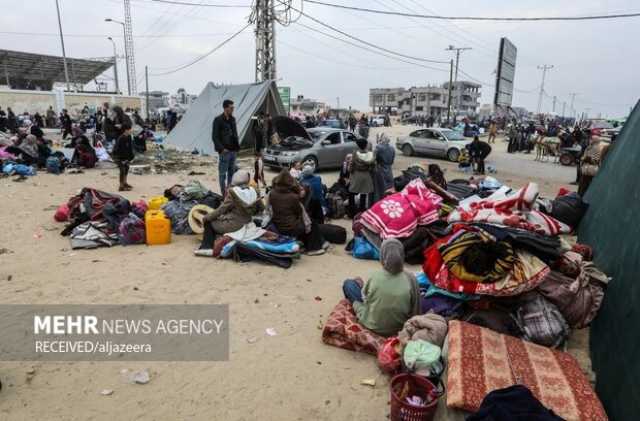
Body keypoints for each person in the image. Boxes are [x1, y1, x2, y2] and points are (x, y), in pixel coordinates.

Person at [342, 239, 421, 337]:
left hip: (371, 325)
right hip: (400, 329)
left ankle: (358, 287)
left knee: (349, 284)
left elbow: (365, 299)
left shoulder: (374, 276)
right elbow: (416, 309)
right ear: (402, 255)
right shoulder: (411, 278)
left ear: (382, 256)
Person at [195, 170, 264, 256]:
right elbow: (261, 208)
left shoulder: (233, 193)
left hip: (235, 225)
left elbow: (221, 210)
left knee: (209, 222)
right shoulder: (254, 191)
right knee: (219, 219)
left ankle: (206, 247)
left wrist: (207, 217)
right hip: (248, 223)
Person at [268, 170, 326, 255]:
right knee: (310, 223)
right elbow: (298, 212)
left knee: (304, 223)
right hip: (289, 228)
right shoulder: (293, 197)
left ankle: (305, 245)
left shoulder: (272, 193)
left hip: (277, 225)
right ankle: (313, 249)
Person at [212, 99, 240, 195]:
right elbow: (214, 137)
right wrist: (222, 149)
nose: (233, 109)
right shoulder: (218, 120)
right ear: (225, 108)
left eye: (233, 108)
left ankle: (229, 194)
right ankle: (223, 194)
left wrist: (237, 148)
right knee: (222, 174)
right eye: (231, 108)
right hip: (224, 152)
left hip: (233, 151)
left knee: (231, 174)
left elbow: (235, 134)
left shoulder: (233, 119)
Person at [349, 138, 375, 213]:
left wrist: (350, 171)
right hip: (366, 175)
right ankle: (362, 211)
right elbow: (373, 166)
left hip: (356, 175)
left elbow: (352, 164)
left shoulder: (355, 153)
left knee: (352, 193)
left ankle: (352, 211)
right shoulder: (370, 154)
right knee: (363, 193)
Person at [112, 119, 134, 191]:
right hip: (118, 156)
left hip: (125, 156)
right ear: (125, 130)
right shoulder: (121, 139)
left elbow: (130, 148)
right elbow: (117, 150)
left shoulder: (129, 137)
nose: (131, 130)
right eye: (130, 129)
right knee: (122, 169)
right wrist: (122, 159)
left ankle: (125, 182)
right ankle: (121, 186)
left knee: (127, 168)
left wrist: (130, 157)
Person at [373, 133, 395, 201]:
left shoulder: (378, 147)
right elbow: (392, 161)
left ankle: (380, 203)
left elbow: (373, 159)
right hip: (389, 170)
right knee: (390, 187)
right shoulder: (392, 148)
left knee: (380, 189)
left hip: (380, 169)